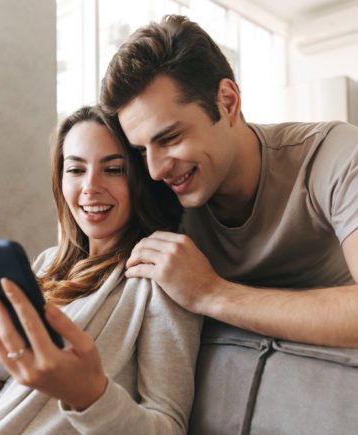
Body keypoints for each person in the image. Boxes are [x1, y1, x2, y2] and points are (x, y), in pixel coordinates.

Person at [0, 106, 201, 433]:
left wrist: (88, 395)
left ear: (140, 178)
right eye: (76, 169)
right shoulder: (47, 263)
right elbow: (1, 368)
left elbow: (167, 427)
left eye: (113, 169)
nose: (90, 187)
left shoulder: (159, 277)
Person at [100, 14, 358, 348]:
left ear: (227, 102)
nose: (155, 170)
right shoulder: (157, 195)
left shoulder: (333, 154)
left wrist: (211, 293)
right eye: (141, 150)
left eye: (170, 137)